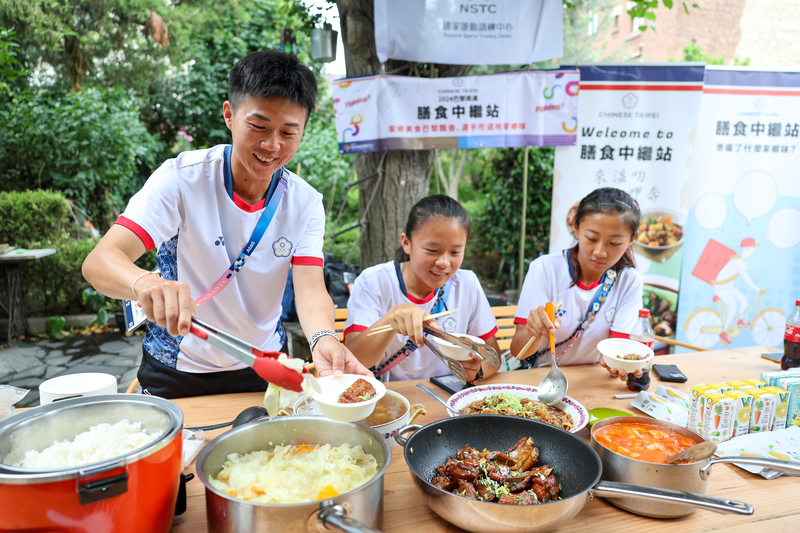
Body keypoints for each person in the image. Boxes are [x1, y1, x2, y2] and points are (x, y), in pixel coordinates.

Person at [82, 50, 369, 398]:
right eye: (259, 126)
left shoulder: (305, 203)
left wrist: (323, 337)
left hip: (264, 365)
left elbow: (310, 288)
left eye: (289, 132)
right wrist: (144, 283)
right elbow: (100, 261)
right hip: (178, 367)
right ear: (229, 115)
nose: (272, 145)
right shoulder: (182, 179)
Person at [343, 195, 501, 384]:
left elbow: (493, 357)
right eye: (432, 251)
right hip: (390, 397)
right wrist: (393, 318)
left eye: (455, 252)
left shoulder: (467, 283)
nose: (443, 262)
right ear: (406, 243)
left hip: (447, 395)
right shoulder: (374, 282)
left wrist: (476, 371)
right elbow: (353, 359)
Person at [511, 187, 644, 381]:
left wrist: (621, 364)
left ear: (632, 239)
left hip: (591, 382)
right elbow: (519, 353)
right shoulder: (544, 269)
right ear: (575, 228)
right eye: (591, 238)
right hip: (539, 379)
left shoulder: (629, 281)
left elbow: (617, 349)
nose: (600, 252)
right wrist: (534, 331)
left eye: (614, 243)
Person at [711, 237, 764, 345]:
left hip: (728, 287)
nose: (752, 252)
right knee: (733, 307)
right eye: (752, 249)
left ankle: (740, 320)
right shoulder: (739, 261)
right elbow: (746, 279)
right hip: (722, 288)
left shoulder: (738, 259)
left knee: (743, 299)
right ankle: (724, 332)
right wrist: (757, 289)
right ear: (747, 249)